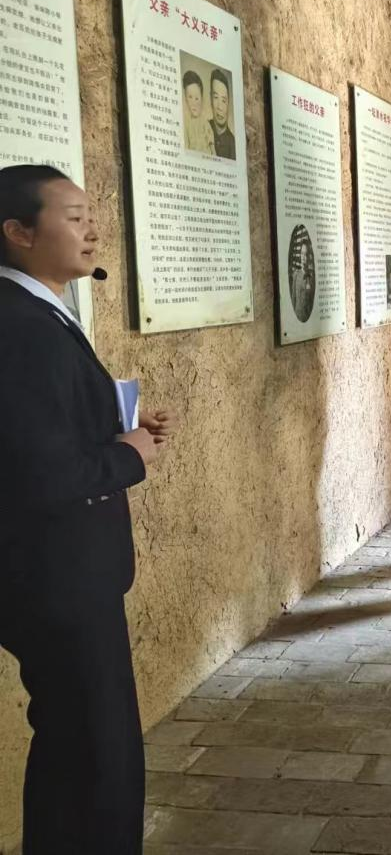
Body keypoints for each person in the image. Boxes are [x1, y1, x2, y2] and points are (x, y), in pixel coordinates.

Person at [0, 164, 175, 855]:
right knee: (95, 756)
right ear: (18, 232)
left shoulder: (37, 311)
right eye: (72, 218)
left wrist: (120, 424)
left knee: (82, 747)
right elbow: (40, 473)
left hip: (65, 575)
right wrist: (128, 455)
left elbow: (41, 430)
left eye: (89, 214)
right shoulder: (20, 325)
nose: (91, 229)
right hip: (55, 577)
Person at [181, 70, 214, 154]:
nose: (193, 103)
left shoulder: (205, 123)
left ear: (202, 99)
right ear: (185, 99)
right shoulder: (186, 126)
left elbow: (212, 146)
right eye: (190, 97)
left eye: (197, 98)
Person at [209, 69, 236, 160]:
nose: (220, 107)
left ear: (228, 103)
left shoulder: (233, 144)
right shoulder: (202, 129)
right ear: (210, 99)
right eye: (216, 97)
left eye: (224, 100)